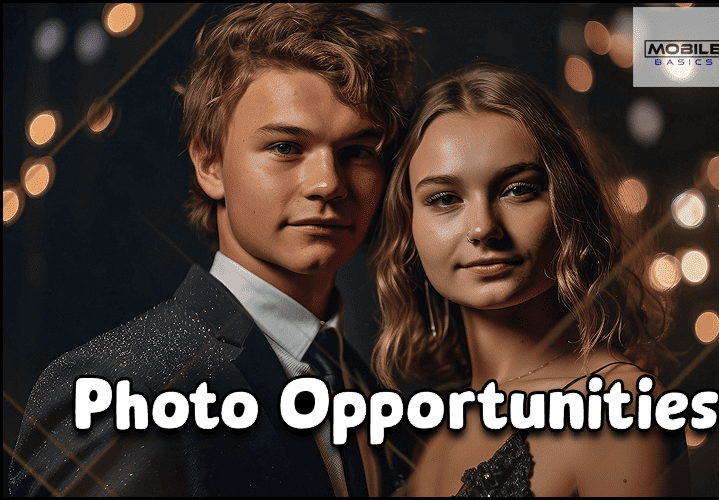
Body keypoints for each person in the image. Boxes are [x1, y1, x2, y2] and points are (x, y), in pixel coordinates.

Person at [9, 4, 420, 496]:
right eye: (287, 147)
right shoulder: (124, 388)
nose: (328, 183)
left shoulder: (372, 393)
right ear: (209, 164)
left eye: (358, 152)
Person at [370, 63, 689, 496]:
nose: (483, 227)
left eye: (517, 189)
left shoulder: (617, 408)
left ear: (570, 202)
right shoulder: (438, 425)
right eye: (445, 198)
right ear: (409, 222)